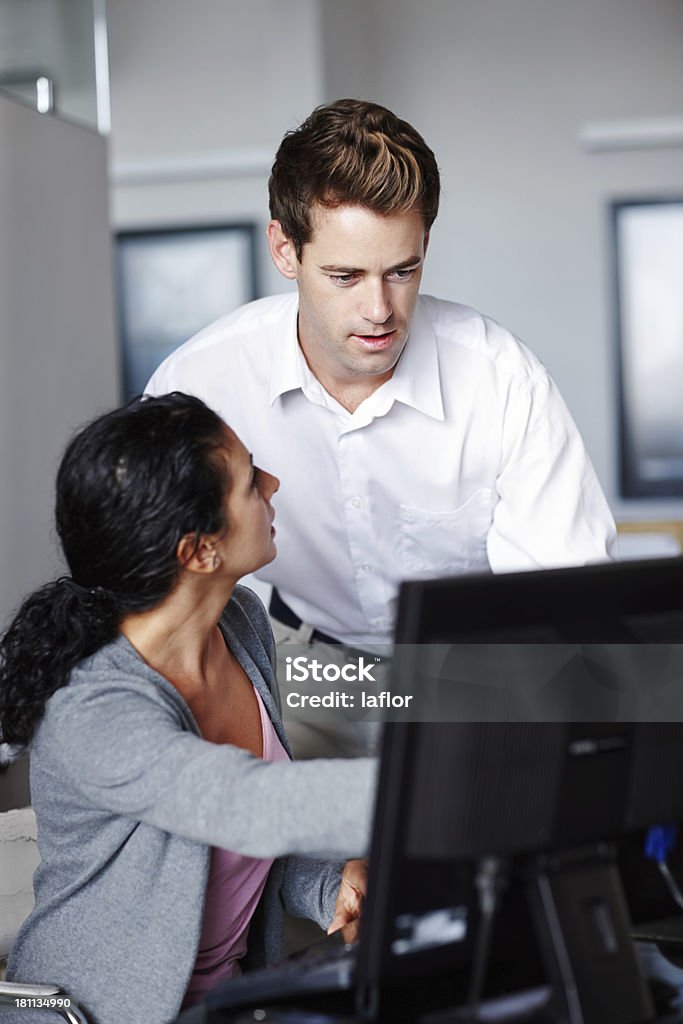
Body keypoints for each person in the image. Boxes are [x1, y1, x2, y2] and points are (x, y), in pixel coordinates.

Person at [146, 98, 616, 758]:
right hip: (303, 671)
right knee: (293, 848)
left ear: (424, 243)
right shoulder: (201, 384)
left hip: (466, 677)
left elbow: (564, 609)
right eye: (344, 276)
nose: (379, 311)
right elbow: (158, 598)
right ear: (285, 248)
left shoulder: (502, 379)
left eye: (403, 271)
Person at [0, 393, 376, 1024]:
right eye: (251, 481)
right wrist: (452, 786)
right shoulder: (94, 710)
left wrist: (327, 883)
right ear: (199, 551)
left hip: (231, 1004)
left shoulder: (241, 623)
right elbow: (246, 804)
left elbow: (233, 856)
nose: (274, 484)